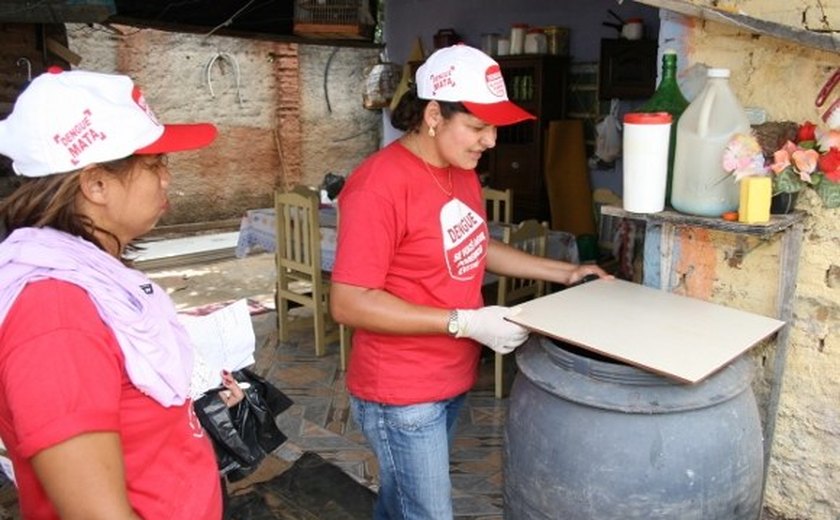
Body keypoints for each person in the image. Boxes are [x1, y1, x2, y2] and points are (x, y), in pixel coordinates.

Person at [329, 44, 611, 519]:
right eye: (478, 127)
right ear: (434, 114)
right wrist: (466, 322)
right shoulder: (378, 185)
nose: (491, 141)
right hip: (402, 392)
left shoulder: (459, 172)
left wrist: (565, 272)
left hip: (450, 376)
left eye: (494, 127)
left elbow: (476, 245)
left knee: (400, 502)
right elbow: (349, 302)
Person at [0, 68, 241, 519]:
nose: (167, 178)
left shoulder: (96, 280)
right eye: (153, 165)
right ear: (95, 185)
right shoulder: (55, 316)